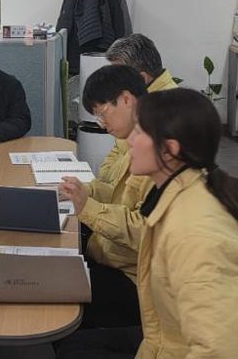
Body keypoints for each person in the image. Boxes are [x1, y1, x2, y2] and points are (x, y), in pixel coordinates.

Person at [58, 88, 238, 358]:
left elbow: (220, 349)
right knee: (74, 345)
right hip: (160, 340)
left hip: (171, 348)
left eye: (140, 132)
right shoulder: (176, 191)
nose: (129, 141)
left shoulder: (193, 234)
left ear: (169, 150)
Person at [59, 64, 149, 328]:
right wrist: (83, 190)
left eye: (102, 113)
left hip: (132, 276)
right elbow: (119, 193)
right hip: (110, 256)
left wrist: (87, 207)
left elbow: (144, 230)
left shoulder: (153, 148)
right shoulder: (137, 137)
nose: (102, 124)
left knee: (52, 293)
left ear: (126, 99)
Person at [97, 33, 176, 180]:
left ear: (141, 79)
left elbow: (129, 184)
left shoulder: (163, 113)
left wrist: (97, 187)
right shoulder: (137, 101)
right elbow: (116, 153)